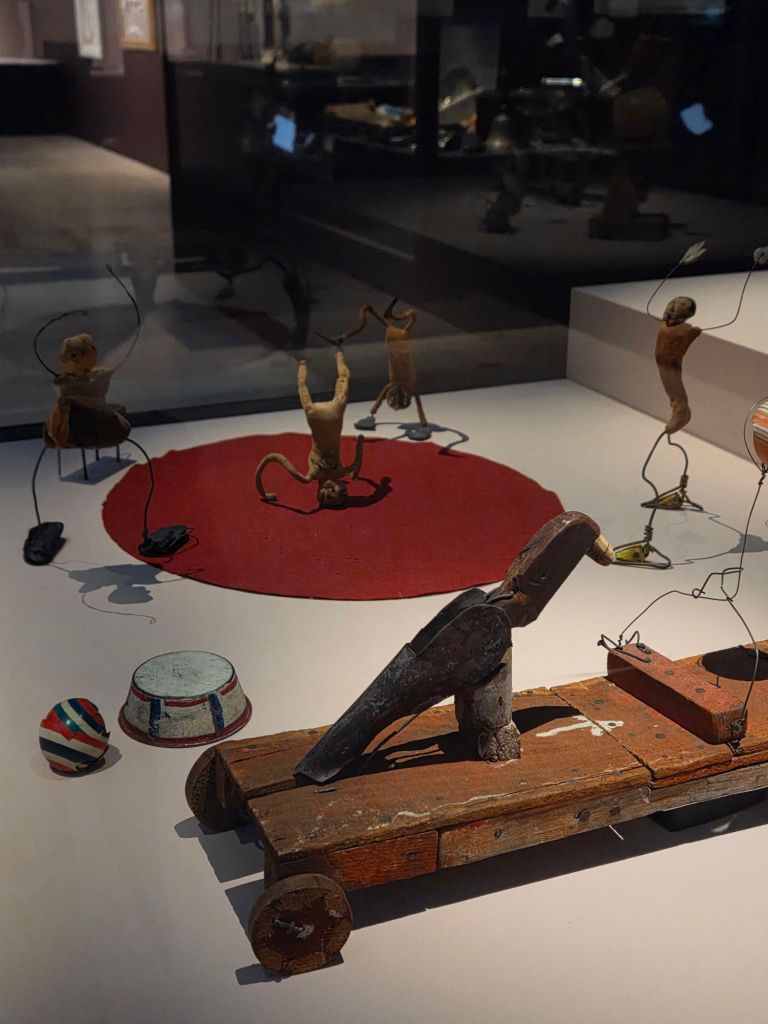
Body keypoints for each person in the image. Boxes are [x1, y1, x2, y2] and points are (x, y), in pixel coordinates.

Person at [255, 346, 364, 507]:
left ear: (322, 491)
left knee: (341, 379)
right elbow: (276, 458)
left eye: (331, 494)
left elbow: (355, 464)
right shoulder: (318, 474)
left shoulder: (328, 473)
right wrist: (359, 447)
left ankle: (335, 353)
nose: (337, 489)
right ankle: (307, 361)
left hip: (330, 416)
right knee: (307, 387)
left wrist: (360, 447)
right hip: (321, 416)